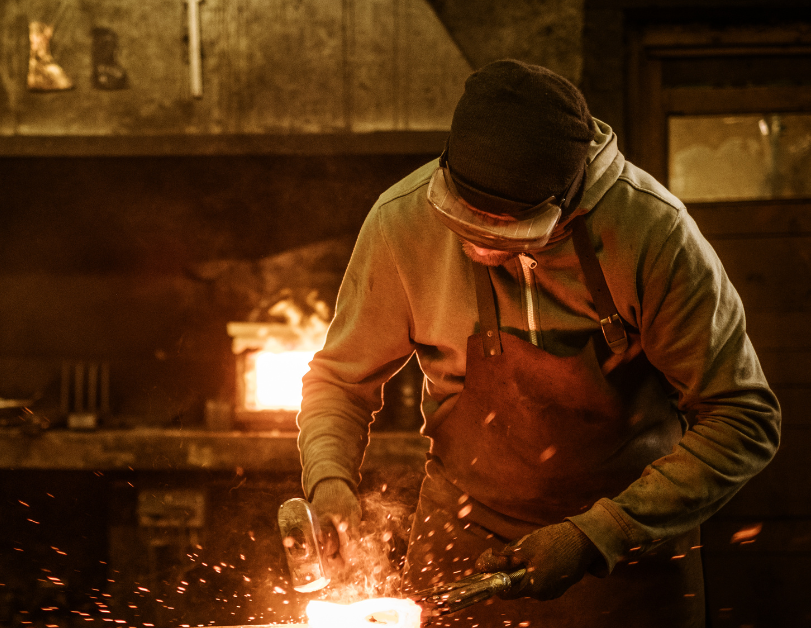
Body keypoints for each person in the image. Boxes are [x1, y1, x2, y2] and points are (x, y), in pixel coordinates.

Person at [296, 59, 781, 627]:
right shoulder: (401, 224)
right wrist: (329, 479)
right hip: (461, 532)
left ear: (567, 198)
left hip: (626, 550)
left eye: (503, 230)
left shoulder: (653, 232)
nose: (479, 246)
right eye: (464, 224)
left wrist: (599, 534)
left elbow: (744, 418)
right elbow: (339, 382)